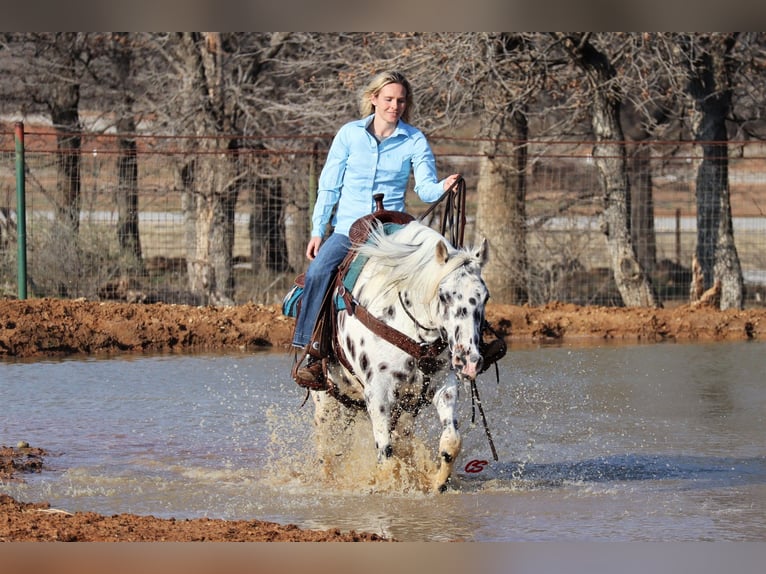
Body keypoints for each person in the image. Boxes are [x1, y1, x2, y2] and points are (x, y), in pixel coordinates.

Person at [292, 70, 461, 388]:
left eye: (400, 100)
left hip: (392, 230)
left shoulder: (414, 139)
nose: (394, 106)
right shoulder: (349, 135)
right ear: (373, 99)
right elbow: (329, 187)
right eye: (388, 99)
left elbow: (425, 189)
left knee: (444, 266)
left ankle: (461, 346)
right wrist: (318, 230)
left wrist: (443, 187)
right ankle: (312, 352)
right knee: (317, 274)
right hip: (349, 229)